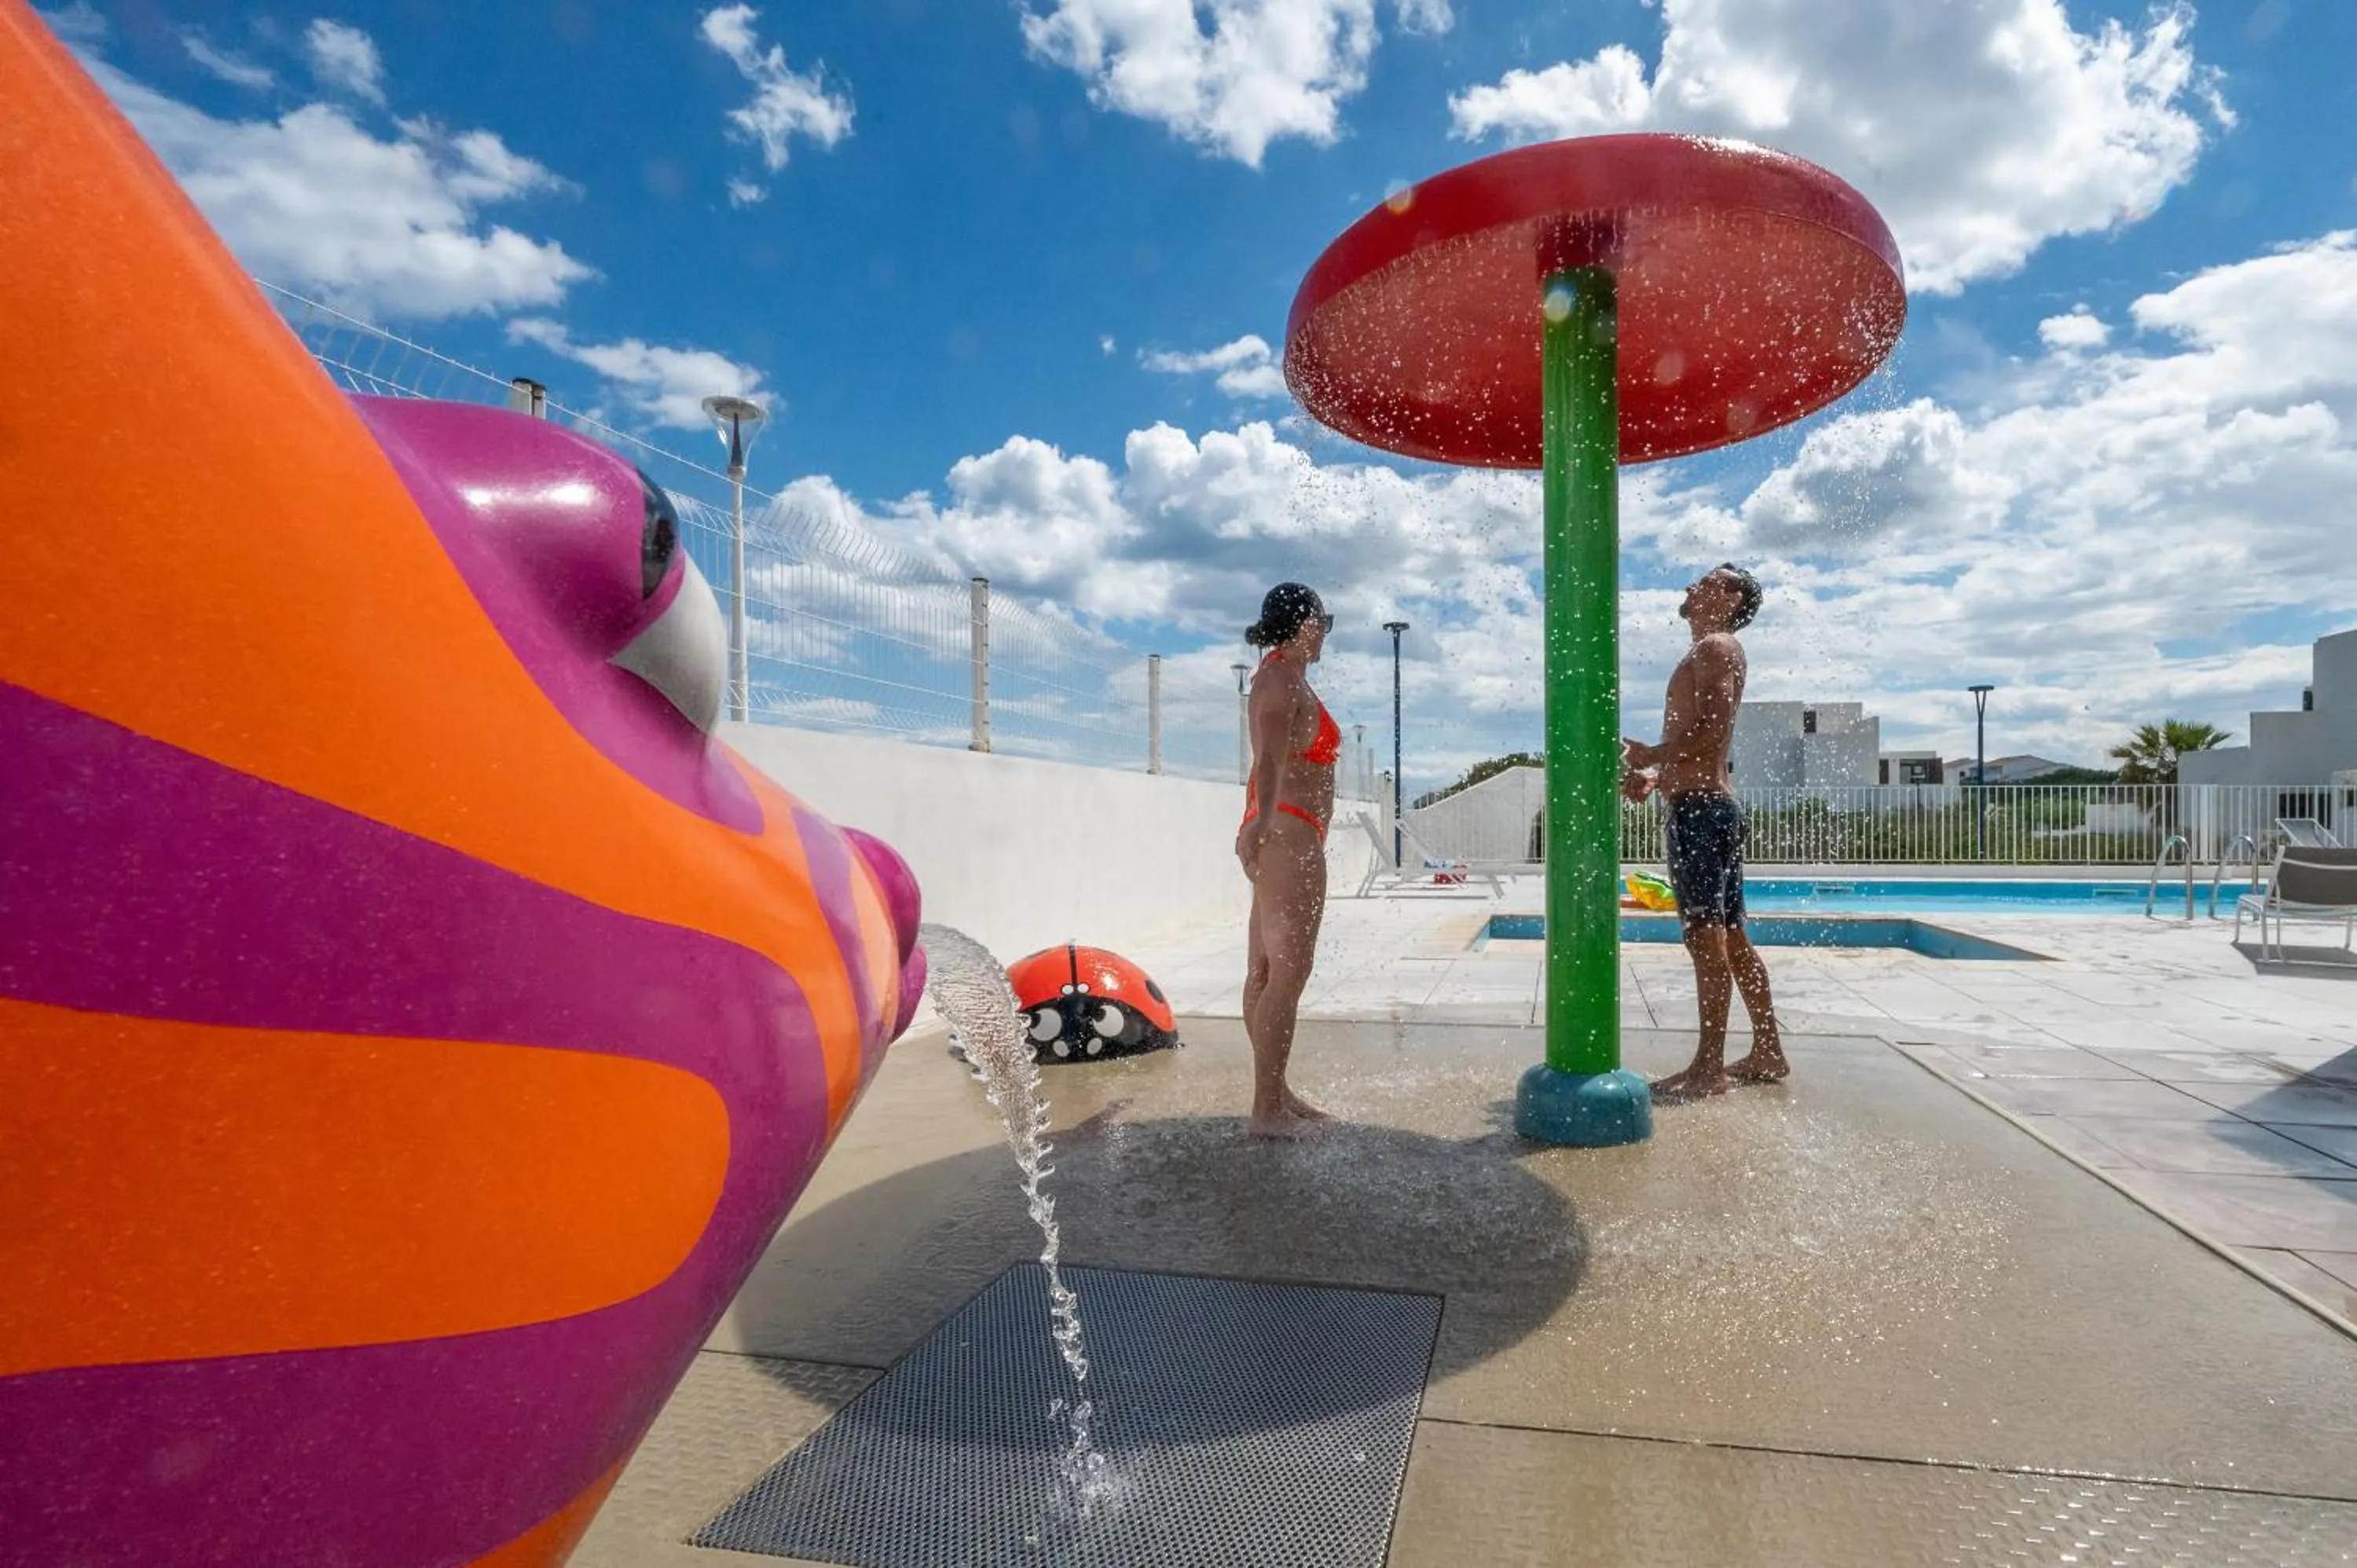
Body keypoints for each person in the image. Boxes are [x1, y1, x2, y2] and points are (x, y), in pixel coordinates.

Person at [1621, 563, 1787, 1101]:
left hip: (1702, 812)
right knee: (1732, 937)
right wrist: (1658, 776)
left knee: (1704, 935)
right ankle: (1767, 1050)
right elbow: (1704, 742)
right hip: (1707, 805)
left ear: (1731, 597)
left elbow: (1714, 729)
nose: (1690, 586)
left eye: (1706, 581)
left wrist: (1655, 755)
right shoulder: (1709, 650)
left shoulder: (1717, 646)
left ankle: (1709, 1068)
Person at [1235, 582, 1340, 1138]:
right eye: (1324, 623)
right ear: (1306, 624)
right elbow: (1268, 760)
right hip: (1289, 833)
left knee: (1265, 970)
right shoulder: (1278, 678)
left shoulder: (1283, 677)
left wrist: (1257, 824)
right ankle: (1266, 1109)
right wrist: (1259, 825)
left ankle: (1275, 1092)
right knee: (1288, 972)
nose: (1325, 635)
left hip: (1285, 830)